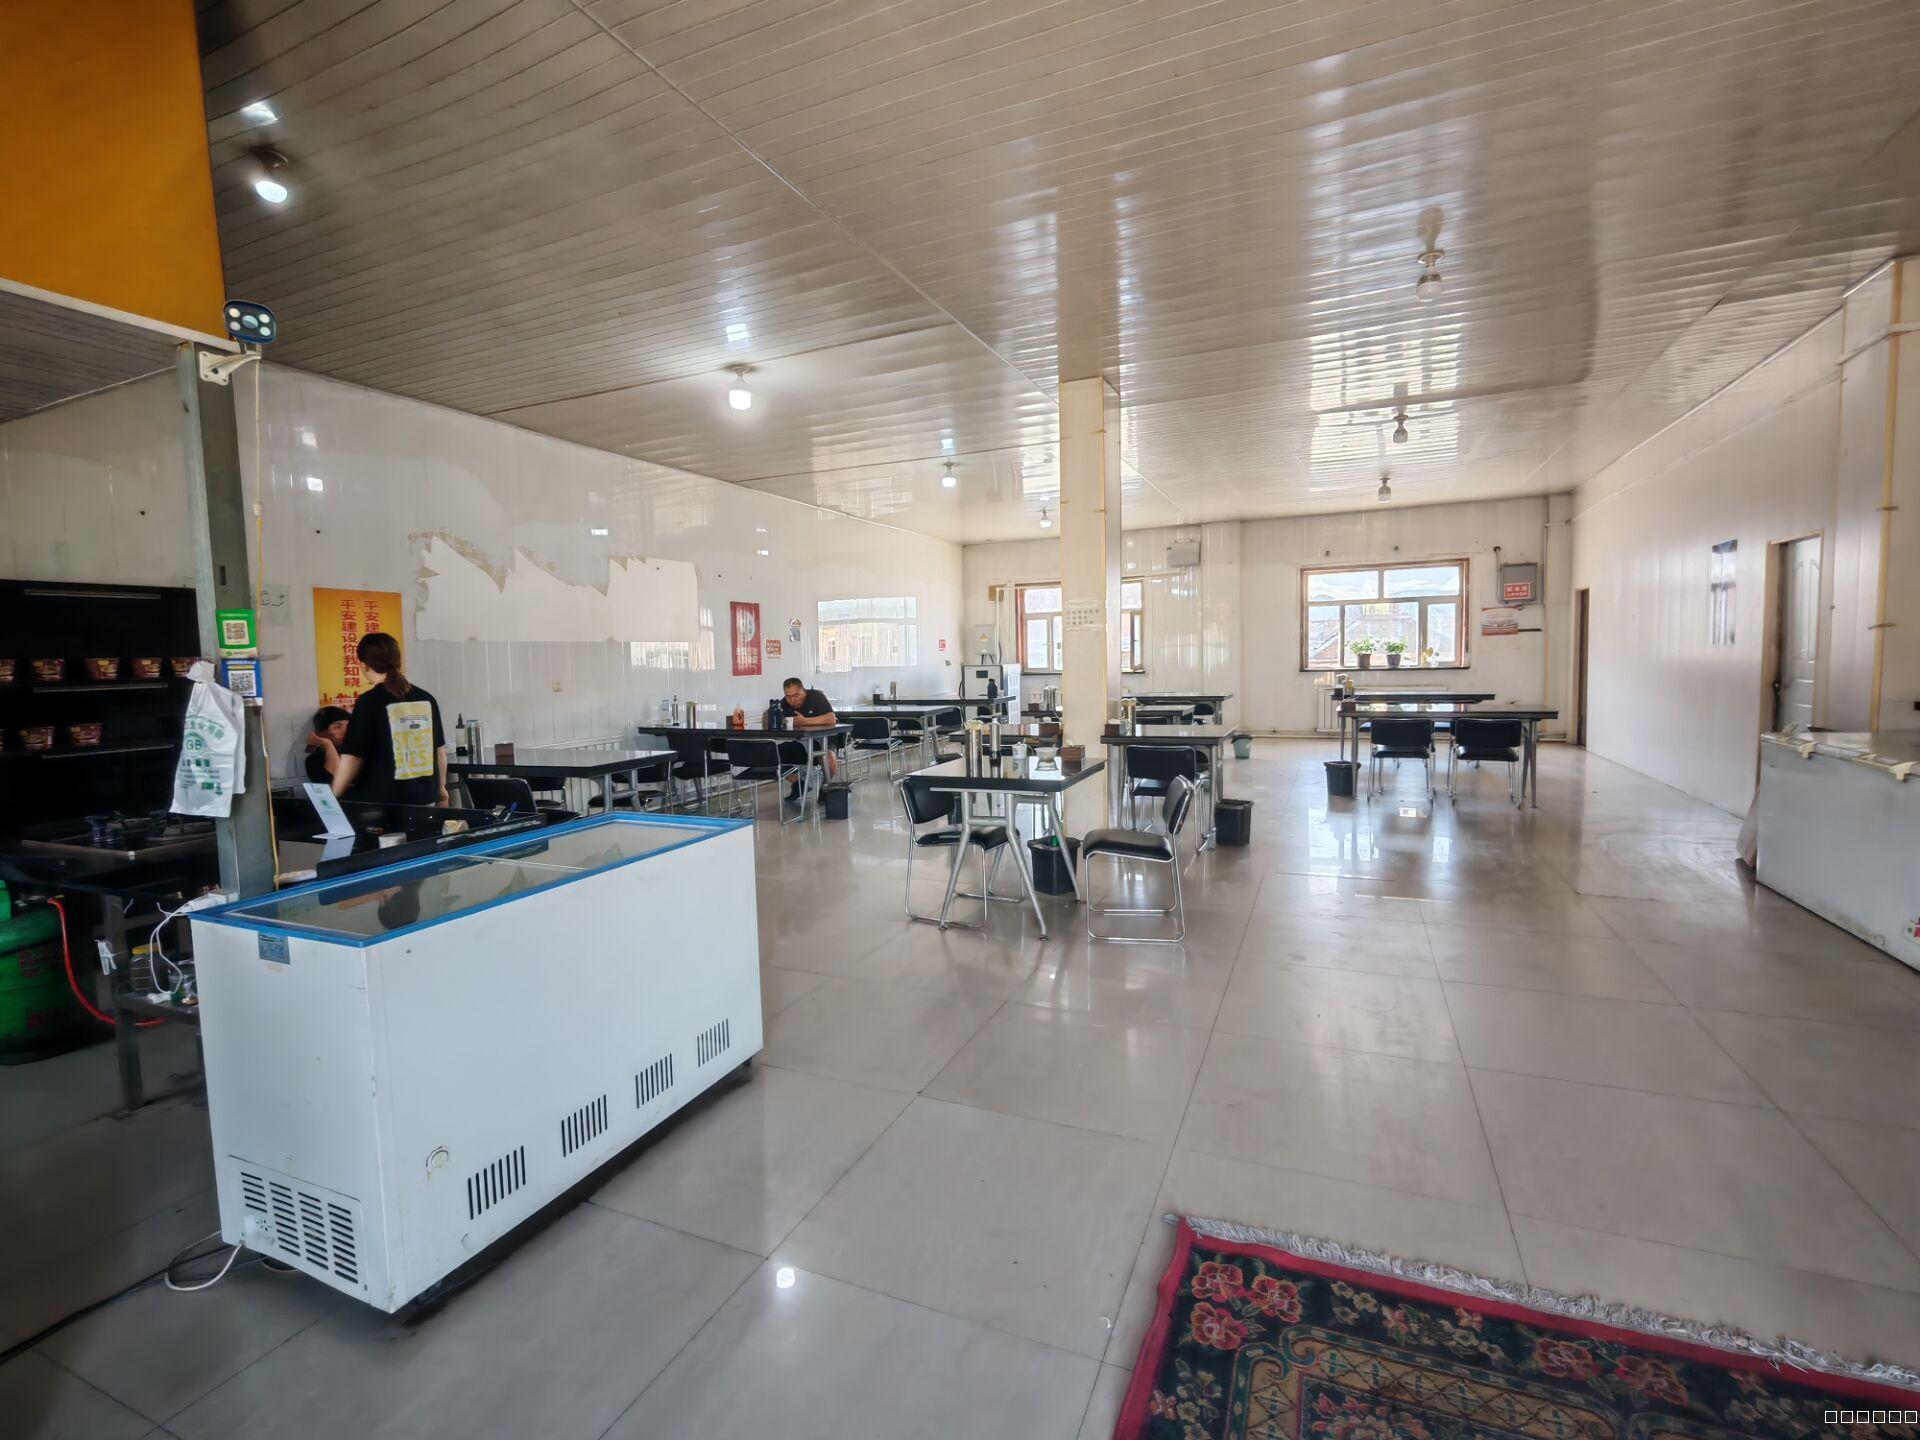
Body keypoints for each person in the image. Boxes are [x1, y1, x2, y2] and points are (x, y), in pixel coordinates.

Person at [332, 633, 449, 807]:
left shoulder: (369, 702)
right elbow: (439, 751)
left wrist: (334, 794)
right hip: (425, 798)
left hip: (385, 803)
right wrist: (441, 789)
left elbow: (352, 757)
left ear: (364, 665)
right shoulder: (426, 698)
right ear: (399, 661)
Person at [776, 675, 838, 805]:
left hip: (823, 739)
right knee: (772, 755)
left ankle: (825, 787)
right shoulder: (784, 703)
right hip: (800, 741)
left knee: (829, 757)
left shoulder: (816, 697)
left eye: (796, 695)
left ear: (803, 690)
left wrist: (805, 721)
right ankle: (800, 783)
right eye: (788, 697)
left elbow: (831, 718)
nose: (793, 700)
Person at [303, 705, 351, 784]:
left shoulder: (355, 753)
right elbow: (339, 780)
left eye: (349, 726)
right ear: (321, 733)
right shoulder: (314, 760)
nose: (346, 731)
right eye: (337, 727)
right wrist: (327, 744)